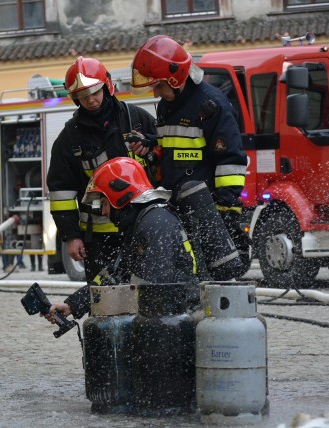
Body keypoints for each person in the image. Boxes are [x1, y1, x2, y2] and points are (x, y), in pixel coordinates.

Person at [129, 34, 249, 278]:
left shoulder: (211, 105)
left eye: (158, 86)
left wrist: (225, 210)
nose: (155, 94)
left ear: (175, 79)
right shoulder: (166, 106)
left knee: (212, 282)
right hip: (178, 208)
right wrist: (151, 145)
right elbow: (171, 146)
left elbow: (231, 161)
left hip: (209, 212)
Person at [45, 157, 197, 322]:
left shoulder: (154, 223)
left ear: (118, 196)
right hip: (174, 314)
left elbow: (154, 290)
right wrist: (72, 305)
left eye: (103, 203)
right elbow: (114, 276)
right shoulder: (142, 221)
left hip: (184, 315)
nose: (103, 212)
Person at [46, 56, 157, 282]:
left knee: (147, 295)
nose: (91, 100)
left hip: (142, 227)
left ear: (107, 86)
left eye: (95, 92)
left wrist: (152, 151)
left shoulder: (136, 119)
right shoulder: (69, 138)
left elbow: (163, 160)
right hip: (98, 237)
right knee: (104, 299)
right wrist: (71, 236)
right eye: (83, 96)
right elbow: (61, 194)